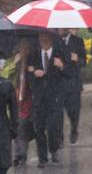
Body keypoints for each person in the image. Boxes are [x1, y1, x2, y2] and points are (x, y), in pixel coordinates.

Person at [29, 31, 68, 165]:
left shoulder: (59, 53)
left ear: (51, 39)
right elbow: (28, 74)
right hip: (39, 97)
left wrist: (62, 66)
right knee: (38, 128)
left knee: (52, 127)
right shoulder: (33, 54)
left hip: (54, 96)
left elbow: (69, 74)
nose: (43, 40)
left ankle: (54, 149)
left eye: (46, 38)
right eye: (41, 38)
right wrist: (34, 73)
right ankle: (42, 157)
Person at [59, 28, 87, 144]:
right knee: (58, 112)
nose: (60, 30)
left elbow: (84, 61)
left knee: (73, 110)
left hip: (73, 82)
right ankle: (58, 137)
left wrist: (78, 59)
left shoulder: (78, 41)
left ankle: (74, 129)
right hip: (60, 82)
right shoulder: (55, 40)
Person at [11, 38, 36, 166]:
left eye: (26, 48)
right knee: (17, 125)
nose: (23, 50)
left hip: (28, 100)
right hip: (15, 98)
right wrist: (14, 64)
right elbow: (5, 75)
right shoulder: (14, 64)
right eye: (21, 47)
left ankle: (21, 154)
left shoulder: (32, 63)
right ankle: (18, 154)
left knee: (22, 125)